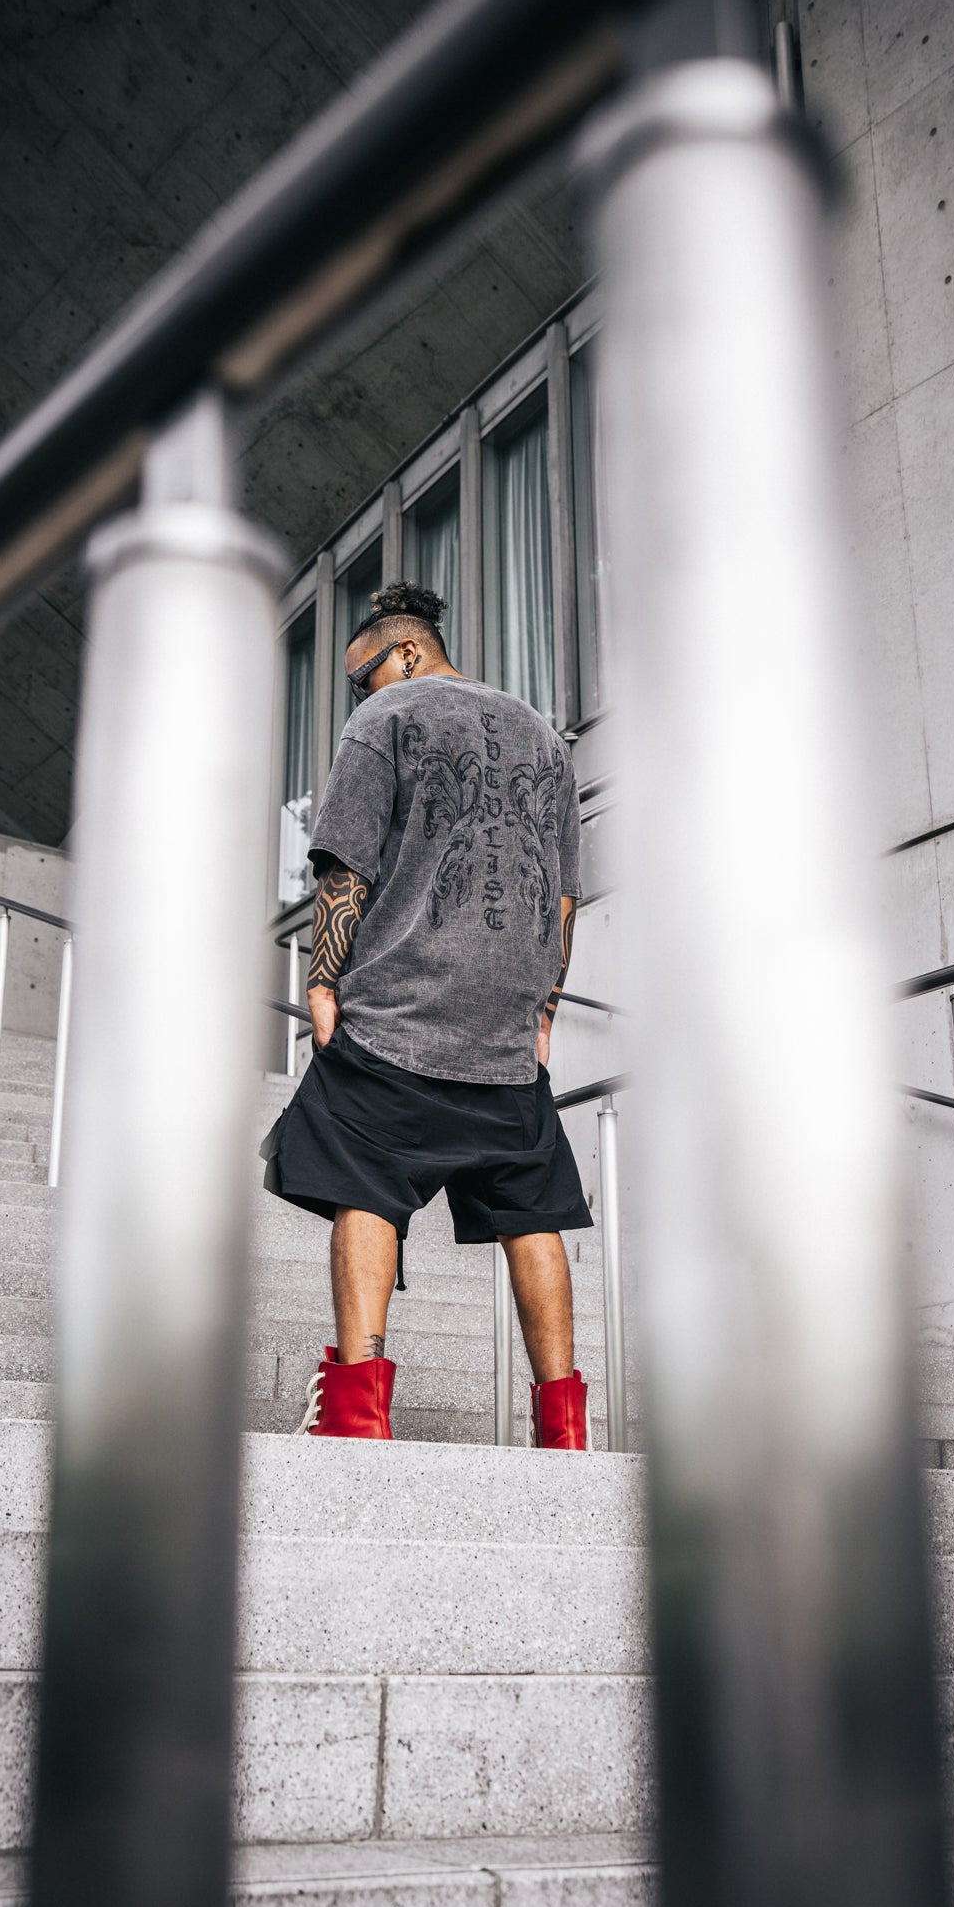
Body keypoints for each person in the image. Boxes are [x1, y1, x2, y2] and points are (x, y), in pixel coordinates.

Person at [262, 581, 594, 1447]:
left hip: (398, 1008)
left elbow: (346, 867)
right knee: (532, 1214)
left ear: (405, 653)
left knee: (361, 1187)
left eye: (360, 675)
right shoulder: (542, 736)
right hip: (505, 1034)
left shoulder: (386, 718)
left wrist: (323, 984)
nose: (358, 694)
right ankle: (564, 1429)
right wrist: (544, 1006)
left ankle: (357, 1412)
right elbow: (563, 898)